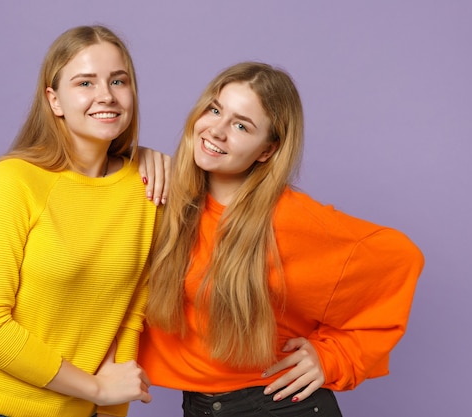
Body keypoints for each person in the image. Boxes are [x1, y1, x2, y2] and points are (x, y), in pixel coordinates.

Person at [139, 62, 424, 417]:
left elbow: (401, 258)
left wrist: (335, 357)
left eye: (242, 125)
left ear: (267, 151)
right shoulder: (167, 200)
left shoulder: (288, 220)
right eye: (215, 110)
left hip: (275, 405)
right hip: (200, 406)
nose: (217, 130)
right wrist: (134, 156)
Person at [0, 25, 171, 417]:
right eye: (84, 83)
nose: (106, 95)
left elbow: (130, 317)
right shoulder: (14, 181)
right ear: (54, 99)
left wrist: (108, 409)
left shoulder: (147, 189)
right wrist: (94, 388)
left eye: (118, 81)